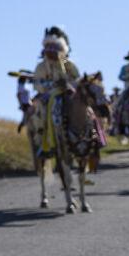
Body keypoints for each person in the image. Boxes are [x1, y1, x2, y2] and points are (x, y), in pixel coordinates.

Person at [32, 27, 83, 158]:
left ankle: (91, 135)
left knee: (85, 106)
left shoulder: (68, 63)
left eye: (55, 47)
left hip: (68, 92)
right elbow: (37, 83)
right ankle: (44, 141)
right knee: (40, 110)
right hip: (48, 95)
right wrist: (51, 84)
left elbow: (77, 78)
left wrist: (68, 84)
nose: (52, 51)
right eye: (49, 47)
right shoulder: (41, 66)